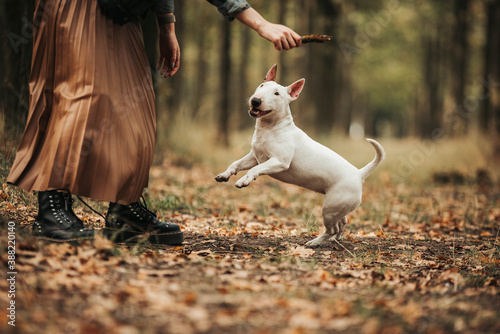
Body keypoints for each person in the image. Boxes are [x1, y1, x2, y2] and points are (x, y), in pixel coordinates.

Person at [7, 0, 302, 244]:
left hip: (121, 11)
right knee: (80, 96)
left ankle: (124, 208)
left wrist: (166, 25)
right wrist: (260, 23)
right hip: (77, 9)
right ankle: (52, 206)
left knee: (136, 109)